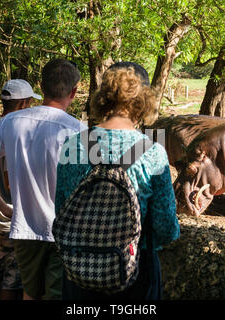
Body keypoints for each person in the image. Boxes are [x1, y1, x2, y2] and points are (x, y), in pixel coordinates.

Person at [55, 62, 180, 300]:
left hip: (80, 269)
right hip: (136, 269)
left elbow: (60, 210)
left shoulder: (73, 145)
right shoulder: (152, 152)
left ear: (103, 98)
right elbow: (166, 227)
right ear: (144, 101)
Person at [0, 59, 86, 300]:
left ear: (41, 88)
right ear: (74, 91)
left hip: (24, 228)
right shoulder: (79, 131)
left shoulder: (11, 123)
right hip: (63, 230)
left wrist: (3, 207)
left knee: (29, 294)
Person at [0, 79, 41, 300]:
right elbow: (10, 181)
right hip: (10, 218)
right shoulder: (15, 132)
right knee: (12, 280)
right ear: (23, 103)